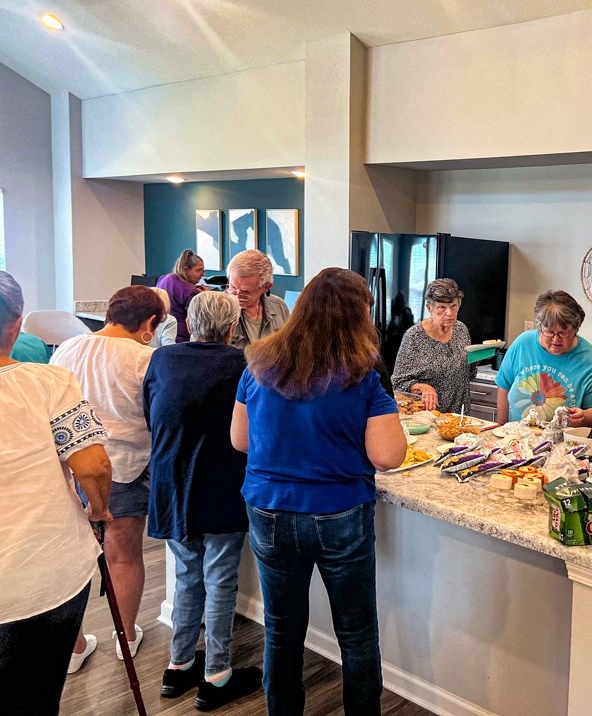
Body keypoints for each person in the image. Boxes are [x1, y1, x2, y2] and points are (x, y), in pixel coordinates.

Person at [231, 267, 406, 715]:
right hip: (338, 511)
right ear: (359, 314)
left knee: (282, 629)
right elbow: (387, 456)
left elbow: (241, 440)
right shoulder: (364, 372)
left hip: (268, 508)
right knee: (356, 633)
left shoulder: (260, 360)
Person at [0, 271, 113, 713]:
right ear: (17, 324)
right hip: (41, 576)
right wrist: (99, 509)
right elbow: (94, 464)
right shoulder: (49, 383)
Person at [144, 291, 262, 709]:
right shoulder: (243, 363)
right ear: (232, 328)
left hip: (172, 483)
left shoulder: (162, 359)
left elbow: (151, 414)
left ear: (190, 324)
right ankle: (216, 674)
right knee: (220, 580)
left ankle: (178, 667)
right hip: (222, 484)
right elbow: (257, 428)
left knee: (187, 575)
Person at [51, 285, 165, 665]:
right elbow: (156, 417)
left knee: (74, 559)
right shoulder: (145, 359)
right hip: (123, 469)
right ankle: (126, 638)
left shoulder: (68, 347)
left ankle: (73, 646)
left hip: (67, 467)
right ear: (150, 323)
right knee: (123, 556)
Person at [495, 290, 592, 432]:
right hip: (520, 439)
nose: (556, 339)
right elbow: (504, 386)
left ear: (575, 329)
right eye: (549, 331)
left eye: (563, 332)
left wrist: (585, 417)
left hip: (572, 445)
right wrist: (500, 428)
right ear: (539, 327)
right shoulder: (523, 344)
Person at [391, 278, 476, 413]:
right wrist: (423, 387)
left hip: (459, 418)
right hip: (427, 419)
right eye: (442, 307)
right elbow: (397, 383)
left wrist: (475, 361)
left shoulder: (461, 329)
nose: (449, 313)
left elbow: (466, 375)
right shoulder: (414, 336)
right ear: (429, 308)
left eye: (453, 306)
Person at [225, 249, 290, 350]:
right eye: (232, 287)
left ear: (266, 287)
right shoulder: (216, 309)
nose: (237, 295)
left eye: (246, 292)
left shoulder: (279, 307)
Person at [157, 249, 207, 343]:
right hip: (180, 339)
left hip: (160, 334)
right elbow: (199, 321)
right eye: (198, 270)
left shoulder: (164, 279)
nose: (202, 274)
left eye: (203, 270)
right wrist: (206, 296)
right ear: (186, 269)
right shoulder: (190, 292)